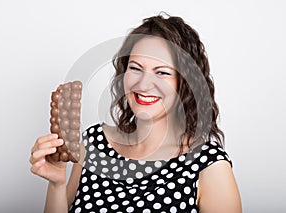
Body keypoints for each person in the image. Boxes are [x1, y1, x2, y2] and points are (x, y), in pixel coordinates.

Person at [30, 13, 242, 213]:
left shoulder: (209, 165)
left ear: (185, 83)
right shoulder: (93, 143)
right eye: (136, 68)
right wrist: (56, 183)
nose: (143, 83)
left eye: (162, 72)